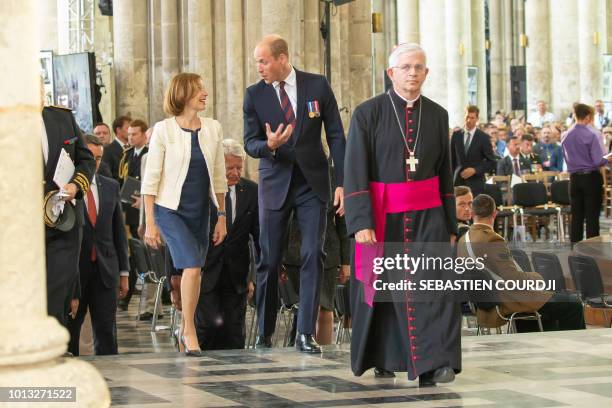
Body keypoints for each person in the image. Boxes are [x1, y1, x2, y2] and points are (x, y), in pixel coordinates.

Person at [344, 43, 460, 386]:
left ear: (427, 73)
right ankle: (387, 356)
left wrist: (451, 224)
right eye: (406, 67)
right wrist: (361, 222)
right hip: (384, 217)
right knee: (387, 293)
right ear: (391, 73)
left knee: (435, 288)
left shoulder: (438, 115)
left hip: (429, 217)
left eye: (419, 67)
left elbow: (446, 173)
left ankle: (437, 362)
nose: (413, 72)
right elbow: (354, 170)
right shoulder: (368, 113)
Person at [243, 34, 346, 353]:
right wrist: (269, 145)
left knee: (313, 254)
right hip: (275, 183)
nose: (259, 67)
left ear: (282, 58)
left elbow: (337, 136)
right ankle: (264, 332)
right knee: (270, 261)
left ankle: (305, 333)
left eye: (263, 60)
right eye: (257, 62)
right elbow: (249, 143)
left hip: (313, 184)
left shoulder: (316, 85)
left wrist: (341, 182)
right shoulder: (254, 95)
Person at [142, 73, 228, 356]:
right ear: (183, 94)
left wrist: (222, 216)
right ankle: (189, 329)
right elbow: (150, 180)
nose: (205, 93)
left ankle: (184, 326)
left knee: (196, 270)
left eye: (204, 88)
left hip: (200, 211)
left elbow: (219, 177)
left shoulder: (213, 127)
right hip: (170, 210)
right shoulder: (164, 130)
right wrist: (151, 224)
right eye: (199, 89)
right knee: (191, 266)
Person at [457, 194, 585, 331]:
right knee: (573, 304)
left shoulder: (463, 239)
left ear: (472, 214)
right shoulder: (492, 239)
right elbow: (512, 278)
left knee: (550, 302)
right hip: (506, 301)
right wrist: (536, 277)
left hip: (483, 306)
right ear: (495, 213)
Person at [67, 135, 129, 356]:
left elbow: (118, 233)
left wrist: (124, 273)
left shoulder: (110, 186)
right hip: (76, 273)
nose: (95, 164)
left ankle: (111, 383)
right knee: (71, 331)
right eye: (90, 158)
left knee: (106, 331)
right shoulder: (66, 189)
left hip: (105, 269)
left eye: (99, 158)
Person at [195, 139, 259, 350]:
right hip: (206, 272)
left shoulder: (251, 191)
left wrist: (254, 277)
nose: (235, 172)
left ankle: (233, 380)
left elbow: (257, 237)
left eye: (239, 168)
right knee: (207, 328)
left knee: (234, 331)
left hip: (236, 276)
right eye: (229, 167)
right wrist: (176, 277)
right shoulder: (201, 190)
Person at [42, 103, 95, 331]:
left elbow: (86, 160)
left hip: (62, 222)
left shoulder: (62, 118)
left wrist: (75, 185)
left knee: (58, 292)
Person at [561, 103, 612, 242]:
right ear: (589, 116)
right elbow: (598, 161)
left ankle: (574, 247)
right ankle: (592, 248)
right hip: (591, 178)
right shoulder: (593, 134)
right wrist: (608, 157)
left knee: (576, 216)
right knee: (592, 216)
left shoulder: (565, 135)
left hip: (574, 179)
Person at [450, 106, 497, 196]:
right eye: (467, 117)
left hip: (476, 184)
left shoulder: (483, 138)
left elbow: (492, 162)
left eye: (472, 118)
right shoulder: (456, 135)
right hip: (457, 183)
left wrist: (475, 170)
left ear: (477, 119)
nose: (469, 120)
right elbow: (451, 160)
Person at [118, 119, 149, 237]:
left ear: (144, 135)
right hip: (128, 203)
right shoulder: (127, 154)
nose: (130, 137)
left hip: (143, 205)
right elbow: (122, 179)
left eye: (134, 134)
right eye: (129, 134)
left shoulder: (150, 153)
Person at [102, 115, 131, 181]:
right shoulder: (107, 150)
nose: (130, 131)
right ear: (118, 130)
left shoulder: (133, 149)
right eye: (127, 128)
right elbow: (107, 176)